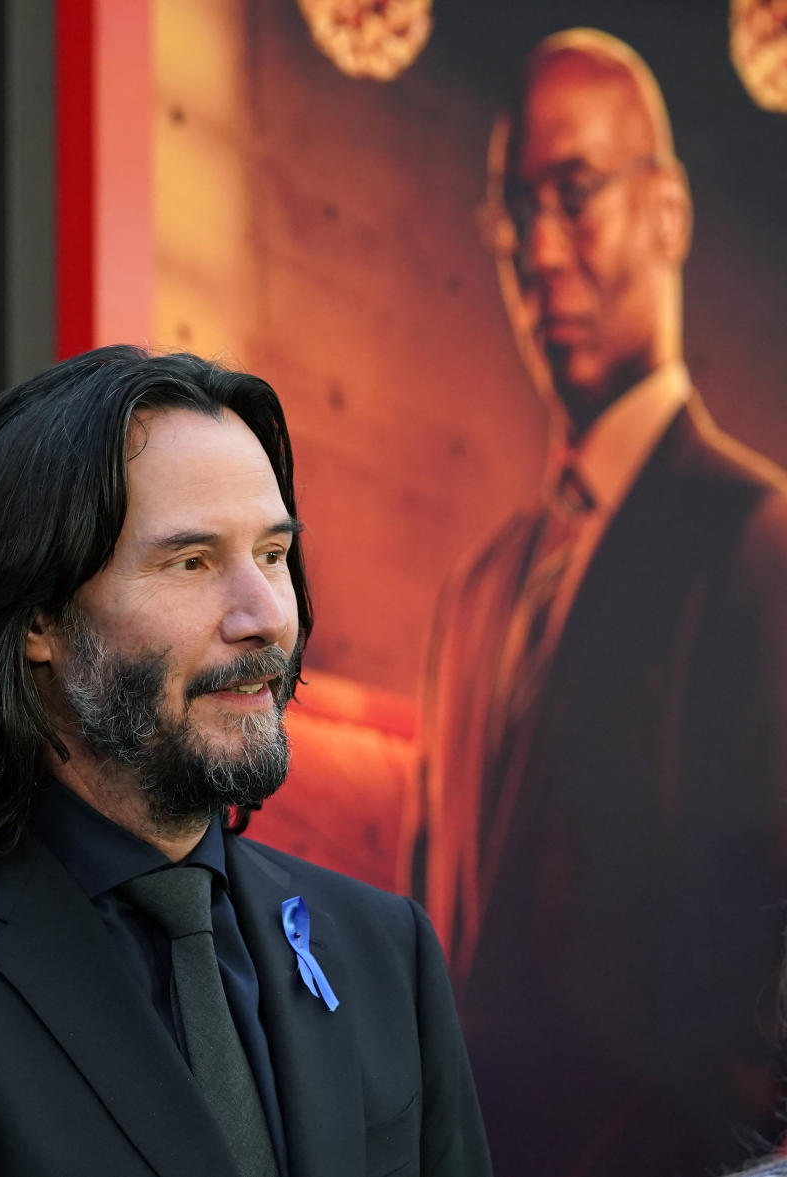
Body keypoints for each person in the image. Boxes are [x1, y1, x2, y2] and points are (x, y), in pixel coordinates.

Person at [0, 346, 490, 1177]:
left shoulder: (384, 949)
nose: (263, 617)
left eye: (275, 556)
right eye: (193, 562)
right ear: (41, 619)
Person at [408, 28, 787, 1177]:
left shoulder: (759, 537)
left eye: (576, 195)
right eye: (515, 214)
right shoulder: (475, 596)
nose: (540, 250)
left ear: (668, 214)